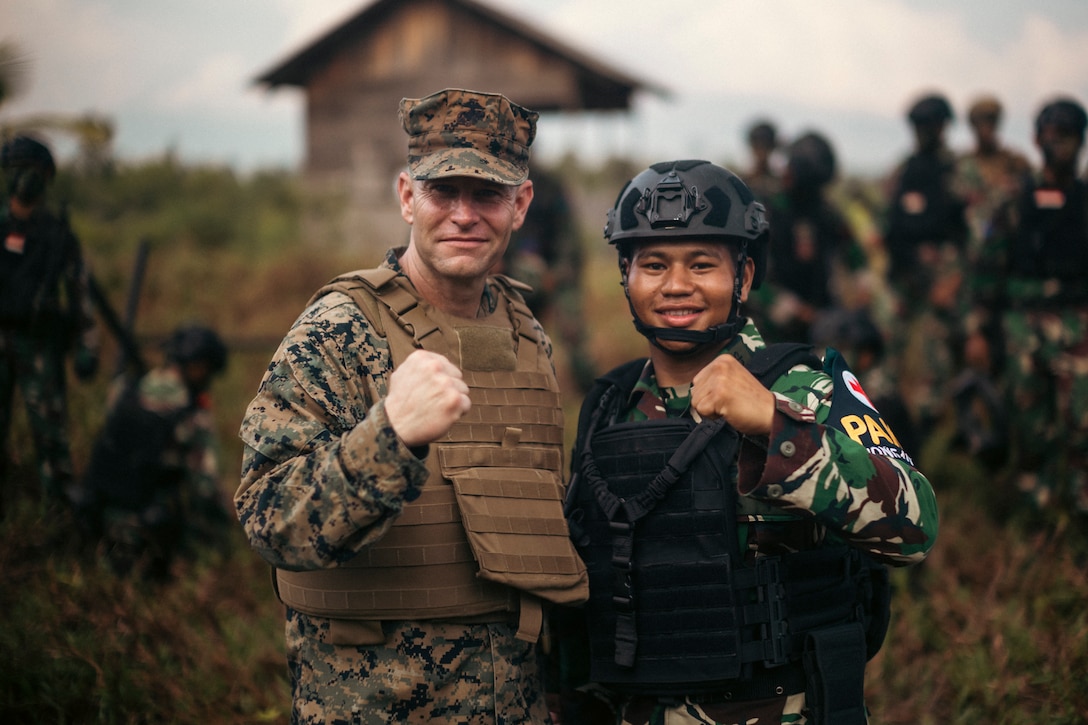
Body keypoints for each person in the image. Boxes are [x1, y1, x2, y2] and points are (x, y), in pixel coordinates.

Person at [235, 88, 589, 724]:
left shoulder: (527, 332)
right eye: (441, 192)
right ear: (406, 197)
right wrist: (390, 436)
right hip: (378, 706)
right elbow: (268, 516)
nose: (463, 214)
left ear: (521, 205)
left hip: (516, 701)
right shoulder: (342, 329)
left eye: (486, 194)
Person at [558, 160, 938, 724]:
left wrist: (774, 424)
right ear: (626, 275)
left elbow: (915, 528)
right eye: (654, 264)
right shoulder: (609, 407)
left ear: (746, 275)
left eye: (703, 264)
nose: (676, 285)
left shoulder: (807, 384)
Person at [967, 97, 1088, 519]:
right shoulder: (1015, 198)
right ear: (1037, 139)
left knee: (1080, 427)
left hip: (1078, 325)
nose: (1060, 146)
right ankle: (1035, 515)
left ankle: (1075, 513)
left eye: (1069, 137)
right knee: (1029, 426)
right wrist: (979, 330)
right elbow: (987, 266)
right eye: (1053, 137)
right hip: (1022, 326)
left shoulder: (1083, 198)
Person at [71, 324, 230, 579]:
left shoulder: (123, 389)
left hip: (97, 516)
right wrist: (224, 536)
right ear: (198, 367)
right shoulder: (193, 417)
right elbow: (206, 489)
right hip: (144, 527)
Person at [0, 134, 99, 508]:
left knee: (51, 436)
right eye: (18, 170)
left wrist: (87, 347)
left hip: (38, 342)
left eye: (33, 171)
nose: (25, 178)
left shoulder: (56, 234)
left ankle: (57, 514)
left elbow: (80, 295)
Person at [882, 93, 969, 438]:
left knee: (939, 353)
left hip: (942, 277)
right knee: (888, 349)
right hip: (904, 275)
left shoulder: (958, 171)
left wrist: (953, 277)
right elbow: (889, 224)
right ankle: (884, 415)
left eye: (931, 125)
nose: (925, 132)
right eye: (919, 126)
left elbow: (974, 232)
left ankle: (937, 427)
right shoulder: (904, 170)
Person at [758, 131, 868, 344]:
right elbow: (746, 271)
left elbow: (853, 251)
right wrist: (787, 305)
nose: (786, 173)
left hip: (820, 315)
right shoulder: (768, 210)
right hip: (772, 319)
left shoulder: (826, 213)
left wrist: (863, 283)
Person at [496, 165, 596, 393]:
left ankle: (591, 391)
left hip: (556, 273)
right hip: (513, 273)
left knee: (572, 331)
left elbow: (569, 241)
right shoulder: (498, 181)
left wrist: (556, 274)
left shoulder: (550, 186)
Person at [740, 119, 782, 205]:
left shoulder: (782, 184)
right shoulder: (741, 182)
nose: (761, 151)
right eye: (757, 145)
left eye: (765, 145)